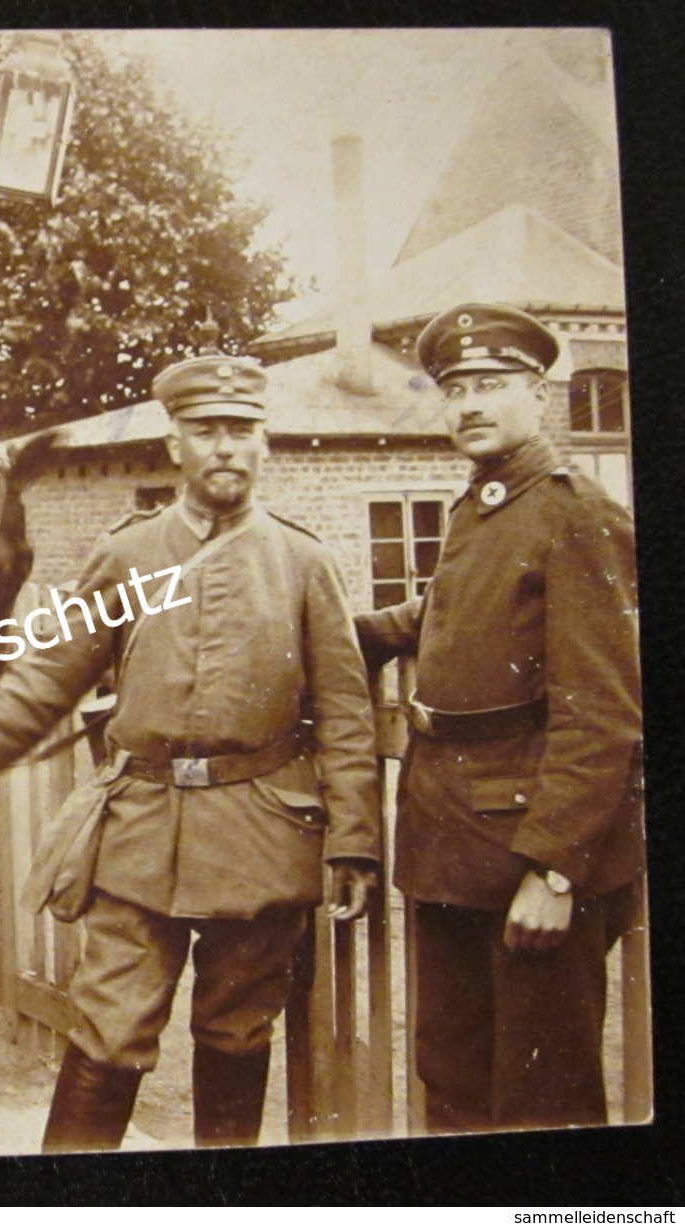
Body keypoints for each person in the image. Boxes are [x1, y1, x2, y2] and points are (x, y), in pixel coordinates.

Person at [0, 350, 381, 1151]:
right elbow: (48, 677)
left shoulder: (303, 563)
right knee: (107, 1028)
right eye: (206, 432)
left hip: (261, 835)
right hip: (137, 833)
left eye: (241, 431)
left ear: (264, 445)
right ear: (175, 447)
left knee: (235, 1032)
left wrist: (355, 842)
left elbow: (344, 710)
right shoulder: (129, 554)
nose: (225, 448)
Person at [355, 303, 644, 1133]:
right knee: (450, 1079)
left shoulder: (574, 512)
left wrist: (554, 871)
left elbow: (602, 714)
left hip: (528, 852)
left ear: (539, 396)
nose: (470, 404)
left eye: (490, 385)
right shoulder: (480, 506)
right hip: (448, 844)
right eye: (454, 390)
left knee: (540, 1100)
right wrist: (334, 637)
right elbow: (446, 613)